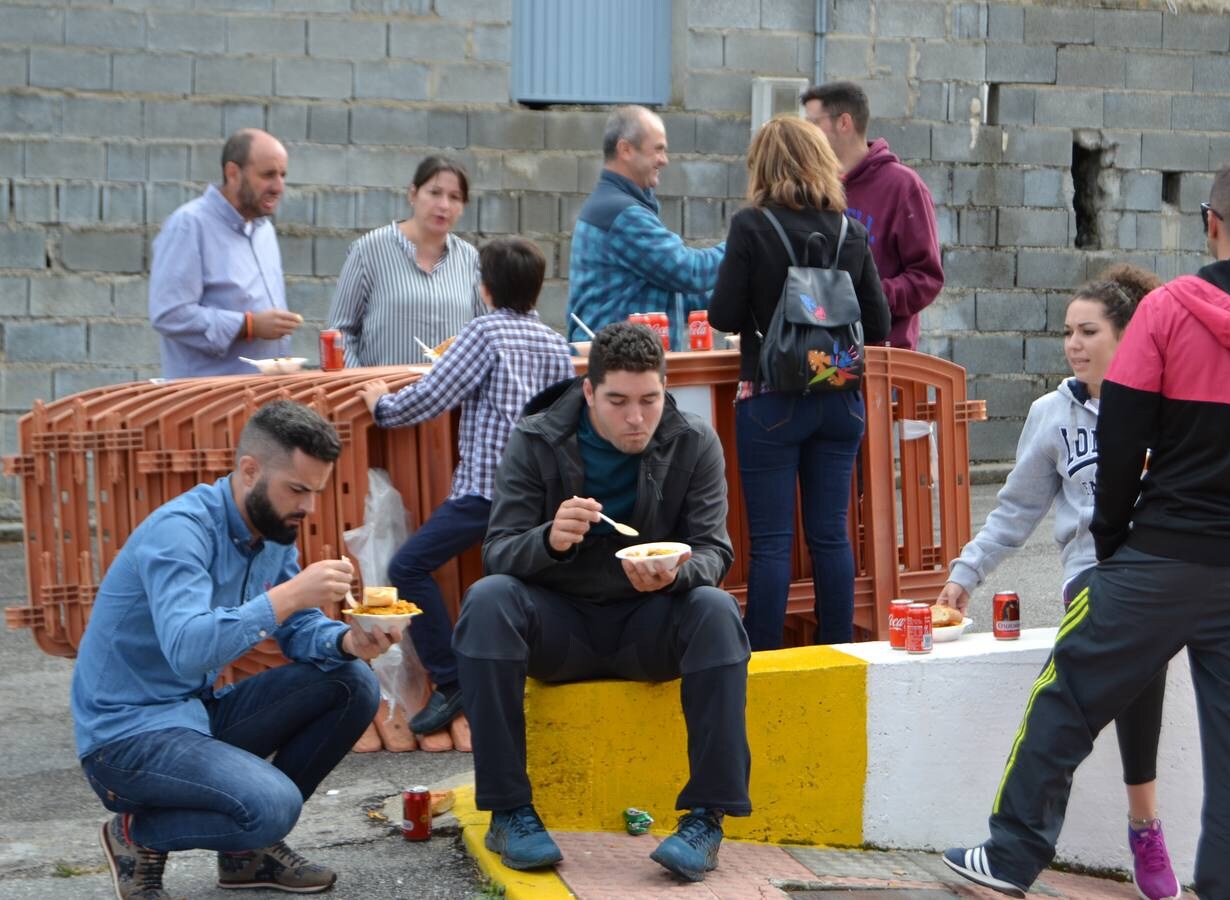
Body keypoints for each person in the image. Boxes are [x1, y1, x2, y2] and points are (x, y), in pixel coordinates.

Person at [943, 158, 1230, 900]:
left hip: (1157, 557)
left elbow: (1124, 439)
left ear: (1210, 222)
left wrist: (1114, 543)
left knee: (1066, 700)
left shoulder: (1167, 312)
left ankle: (1008, 860)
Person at [452, 322, 751, 882]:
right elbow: (497, 552)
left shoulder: (694, 440)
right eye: (617, 401)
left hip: (650, 626)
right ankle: (509, 810)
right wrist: (548, 540)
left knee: (716, 610)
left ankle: (706, 819)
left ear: (666, 390)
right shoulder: (537, 438)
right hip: (561, 629)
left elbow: (715, 550)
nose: (636, 418)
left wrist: (677, 574)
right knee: (488, 601)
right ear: (589, 393)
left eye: (649, 400)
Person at [71, 401, 394, 899]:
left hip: (194, 714)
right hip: (125, 739)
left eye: (316, 492)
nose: (308, 506)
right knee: (271, 806)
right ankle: (135, 836)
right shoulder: (180, 533)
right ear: (249, 470)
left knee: (351, 682)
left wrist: (348, 640)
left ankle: (247, 855)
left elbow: (301, 627)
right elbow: (188, 649)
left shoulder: (272, 531)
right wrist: (289, 595)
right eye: (298, 489)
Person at [934, 265, 1181, 899]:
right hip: (1094, 579)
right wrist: (966, 574)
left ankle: (1031, 848)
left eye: (1088, 331)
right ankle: (1143, 827)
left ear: (1128, 336)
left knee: (1114, 679)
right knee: (1118, 671)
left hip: (1164, 574)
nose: (1073, 344)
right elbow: (1016, 509)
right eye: (1067, 331)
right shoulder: (1052, 413)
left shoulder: (1171, 407)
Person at [357, 238, 575, 747]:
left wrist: (380, 406)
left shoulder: (483, 332)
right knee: (519, 586)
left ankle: (451, 681)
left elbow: (433, 394)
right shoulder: (554, 342)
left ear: (485, 288)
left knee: (407, 567)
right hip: (537, 501)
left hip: (483, 495)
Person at [707, 115, 889, 651]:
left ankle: (762, 661)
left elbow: (721, 315)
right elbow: (877, 324)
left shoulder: (751, 225)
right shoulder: (849, 229)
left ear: (761, 165)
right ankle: (837, 653)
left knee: (770, 544)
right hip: (841, 400)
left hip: (771, 400)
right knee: (831, 534)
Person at [567, 105, 725, 350]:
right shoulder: (621, 214)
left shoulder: (618, 207)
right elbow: (689, 271)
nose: (664, 160)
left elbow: (681, 294)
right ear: (626, 149)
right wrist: (742, 244)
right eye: (658, 150)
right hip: (619, 370)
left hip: (625, 365)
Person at [149, 129, 303, 379]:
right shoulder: (189, 225)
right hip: (209, 402)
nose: (278, 187)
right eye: (268, 175)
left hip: (262, 396)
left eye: (283, 175)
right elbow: (169, 314)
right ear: (233, 173)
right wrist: (248, 325)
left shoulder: (264, 230)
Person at [801, 81, 943, 350]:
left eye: (813, 123)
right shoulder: (813, 187)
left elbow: (927, 278)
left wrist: (871, 296)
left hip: (883, 357)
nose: (806, 134)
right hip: (818, 354)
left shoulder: (903, 187)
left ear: (844, 122)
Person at [328, 155, 483, 367]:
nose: (444, 205)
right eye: (435, 193)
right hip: (380, 395)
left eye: (455, 197)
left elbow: (483, 333)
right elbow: (339, 333)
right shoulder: (369, 250)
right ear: (413, 194)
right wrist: (362, 388)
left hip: (450, 398)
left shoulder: (470, 259)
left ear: (463, 206)